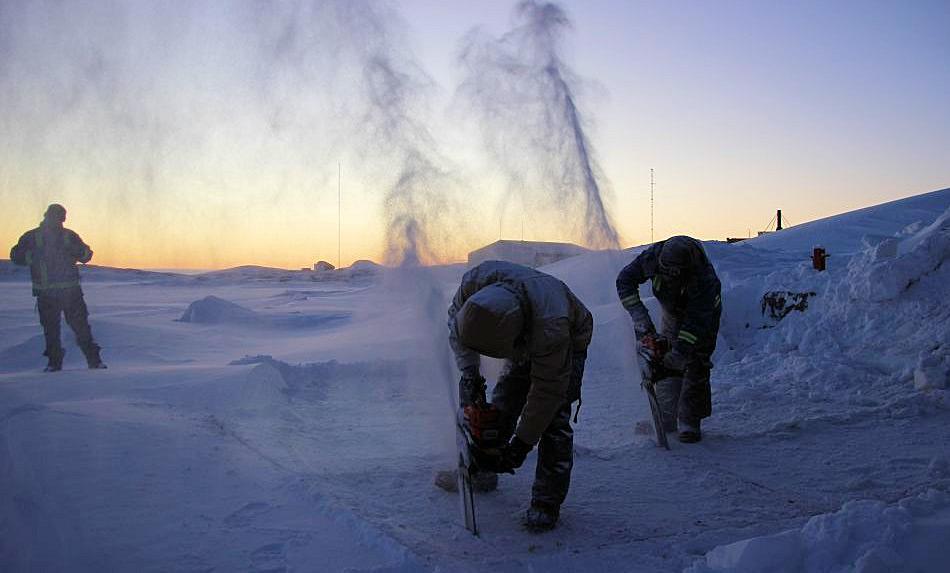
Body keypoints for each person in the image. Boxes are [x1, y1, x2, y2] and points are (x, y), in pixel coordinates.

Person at [437, 260, 592, 531]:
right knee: (504, 400)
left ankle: (546, 502)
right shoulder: (474, 283)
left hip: (567, 335)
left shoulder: (551, 328)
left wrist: (521, 445)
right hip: (531, 319)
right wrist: (470, 373)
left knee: (554, 418)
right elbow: (457, 328)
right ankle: (481, 472)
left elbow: (547, 392)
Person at [616, 236, 721, 443]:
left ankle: (690, 421)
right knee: (664, 357)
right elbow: (624, 281)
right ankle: (665, 416)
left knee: (695, 361)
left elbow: (694, 324)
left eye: (674, 274)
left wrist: (680, 351)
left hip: (703, 316)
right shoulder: (652, 258)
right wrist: (641, 320)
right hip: (671, 311)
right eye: (664, 272)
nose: (668, 277)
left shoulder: (705, 280)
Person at [9, 204, 106, 371]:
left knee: (81, 329)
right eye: (55, 216)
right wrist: (33, 255)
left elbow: (86, 256)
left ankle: (94, 362)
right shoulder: (32, 237)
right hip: (47, 294)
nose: (57, 220)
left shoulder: (69, 236)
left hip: (70, 294)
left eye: (60, 217)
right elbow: (16, 256)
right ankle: (55, 364)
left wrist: (77, 250)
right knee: (52, 332)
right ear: (47, 216)